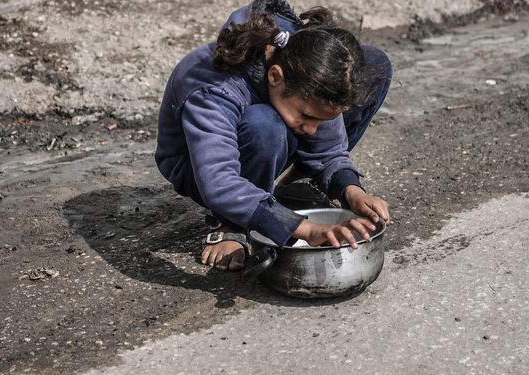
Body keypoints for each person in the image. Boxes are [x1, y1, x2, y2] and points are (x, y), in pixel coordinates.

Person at [155, 0, 392, 271]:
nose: (312, 129)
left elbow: (330, 145)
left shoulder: (301, 63)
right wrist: (304, 229)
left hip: (270, 137)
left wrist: (352, 191)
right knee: (265, 126)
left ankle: (288, 190)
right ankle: (231, 223)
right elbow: (218, 179)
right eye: (307, 117)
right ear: (276, 77)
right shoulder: (213, 87)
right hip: (201, 169)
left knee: (374, 63)